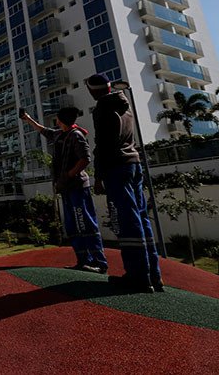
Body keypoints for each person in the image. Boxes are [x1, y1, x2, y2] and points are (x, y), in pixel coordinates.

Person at [85, 73, 162, 293]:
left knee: (127, 220)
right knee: (141, 217)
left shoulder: (103, 108)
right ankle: (154, 275)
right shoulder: (123, 103)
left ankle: (138, 276)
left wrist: (98, 176)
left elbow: (103, 144)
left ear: (94, 90)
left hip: (116, 167)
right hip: (133, 164)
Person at [21, 106, 107, 274]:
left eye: (57, 118)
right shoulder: (60, 134)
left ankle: (100, 262)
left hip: (77, 188)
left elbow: (85, 159)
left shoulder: (76, 136)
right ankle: (83, 260)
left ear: (60, 120)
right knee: (72, 225)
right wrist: (28, 119)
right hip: (66, 188)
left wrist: (68, 174)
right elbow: (43, 130)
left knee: (85, 223)